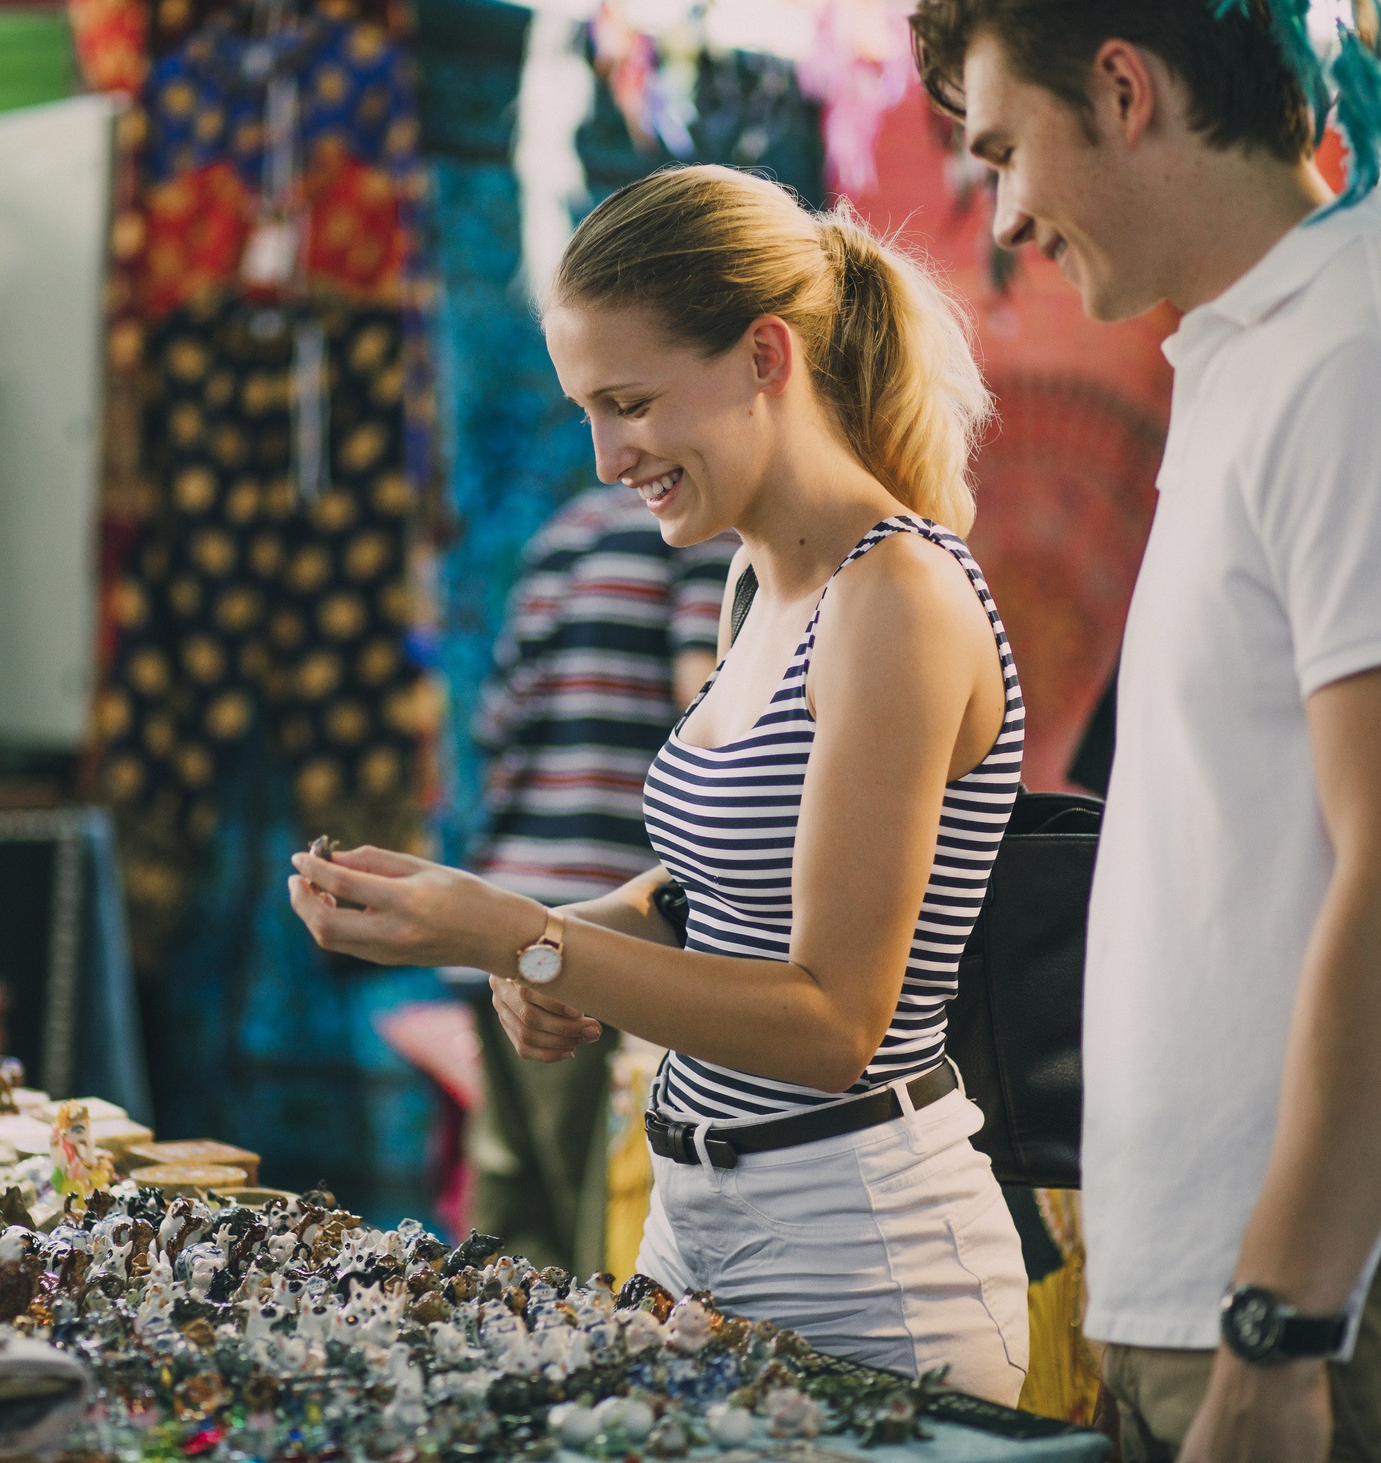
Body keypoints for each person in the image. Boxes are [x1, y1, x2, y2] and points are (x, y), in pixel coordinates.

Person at [909, 0, 1381, 1457]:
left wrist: (1279, 1320)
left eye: (1005, 152)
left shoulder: (1376, 365)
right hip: (1275, 1313)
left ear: (1123, 89)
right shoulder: (1270, 358)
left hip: (1362, 1333)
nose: (1004, 218)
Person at [291, 164, 1031, 1402]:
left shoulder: (893, 595)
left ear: (761, 356)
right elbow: (705, 892)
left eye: (627, 401)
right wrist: (482, 926)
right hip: (700, 1224)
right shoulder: (761, 583)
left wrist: (526, 940)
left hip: (860, 1257)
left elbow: (830, 1023)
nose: (601, 456)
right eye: (587, 408)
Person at [464, 483, 734, 1275]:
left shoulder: (559, 535)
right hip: (611, 931)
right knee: (598, 1239)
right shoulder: (703, 537)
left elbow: (497, 723)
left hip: (513, 914)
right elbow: (708, 705)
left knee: (510, 1243)